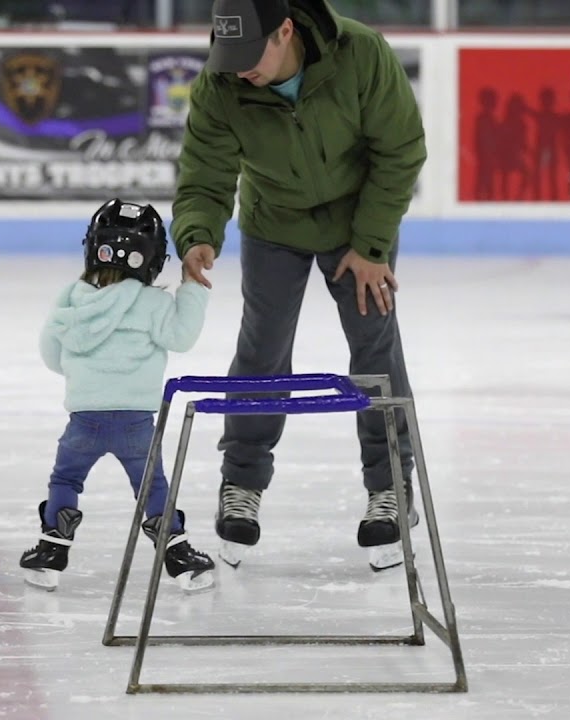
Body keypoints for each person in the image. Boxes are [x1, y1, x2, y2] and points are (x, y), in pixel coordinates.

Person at [171, 0, 426, 570]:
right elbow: (205, 171)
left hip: (358, 223)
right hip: (274, 224)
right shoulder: (222, 83)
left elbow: (400, 149)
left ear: (285, 30)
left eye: (249, 53)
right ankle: (242, 483)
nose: (240, 69)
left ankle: (391, 487)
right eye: (230, 55)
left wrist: (371, 246)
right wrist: (197, 233)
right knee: (261, 347)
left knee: (375, 345)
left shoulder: (360, 54)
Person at [19, 199, 216, 593]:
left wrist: (85, 378)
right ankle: (177, 556)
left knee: (66, 479)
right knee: (153, 487)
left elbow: (52, 353)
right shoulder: (154, 303)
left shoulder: (72, 298)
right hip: (136, 424)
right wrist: (192, 287)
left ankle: (52, 551)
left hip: (83, 420)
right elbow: (182, 337)